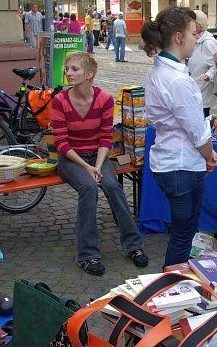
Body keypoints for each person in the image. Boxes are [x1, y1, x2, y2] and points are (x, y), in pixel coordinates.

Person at [51, 52, 148, 275]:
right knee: (88, 187)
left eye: (74, 69)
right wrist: (87, 168)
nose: (68, 73)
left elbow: (106, 138)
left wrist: (99, 164)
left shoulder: (104, 99)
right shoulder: (60, 101)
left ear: (89, 74)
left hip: (98, 155)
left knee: (113, 186)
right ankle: (87, 255)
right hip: (71, 158)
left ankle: (133, 246)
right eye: (67, 69)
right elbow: (61, 143)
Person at [141, 6, 217, 266]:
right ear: (178, 36)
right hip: (181, 163)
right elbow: (196, 131)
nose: (197, 39)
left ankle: (173, 282)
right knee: (184, 234)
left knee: (183, 232)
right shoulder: (175, 79)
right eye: (194, 34)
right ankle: (171, 284)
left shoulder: (162, 71)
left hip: (173, 160)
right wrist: (209, 155)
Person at [188, 9, 217, 118]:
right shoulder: (194, 38)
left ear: (198, 24)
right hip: (194, 85)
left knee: (202, 115)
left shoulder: (208, 42)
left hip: (203, 87)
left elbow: (216, 65)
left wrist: (208, 75)